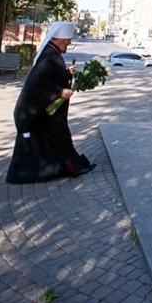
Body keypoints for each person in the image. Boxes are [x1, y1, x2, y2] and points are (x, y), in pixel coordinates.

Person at [6, 22, 96, 184]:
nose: (69, 43)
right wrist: (60, 92)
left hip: (44, 110)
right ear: (60, 39)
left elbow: (50, 76)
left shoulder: (51, 51)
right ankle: (71, 167)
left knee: (59, 139)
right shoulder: (49, 55)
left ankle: (72, 167)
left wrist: (66, 72)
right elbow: (37, 82)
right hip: (37, 112)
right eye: (68, 40)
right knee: (61, 138)